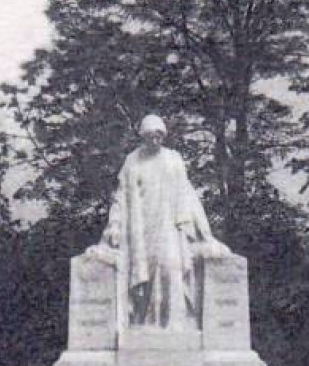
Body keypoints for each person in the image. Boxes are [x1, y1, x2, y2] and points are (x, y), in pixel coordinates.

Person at [89, 114, 229, 329]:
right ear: (143, 136)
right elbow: (121, 196)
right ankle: (144, 322)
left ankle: (175, 323)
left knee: (170, 267)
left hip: (170, 224)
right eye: (150, 136)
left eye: (159, 136)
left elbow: (187, 192)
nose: (155, 140)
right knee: (143, 274)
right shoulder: (132, 160)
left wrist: (205, 233)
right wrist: (115, 225)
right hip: (140, 226)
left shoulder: (173, 159)